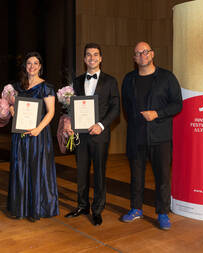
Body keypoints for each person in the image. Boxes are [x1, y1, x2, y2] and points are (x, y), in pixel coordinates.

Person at [121, 41, 182, 230]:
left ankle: (163, 212)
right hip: (136, 136)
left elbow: (177, 104)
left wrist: (158, 114)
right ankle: (136, 209)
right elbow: (126, 107)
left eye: (145, 52)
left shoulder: (167, 77)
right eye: (138, 53)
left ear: (152, 54)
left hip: (160, 136)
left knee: (162, 176)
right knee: (136, 175)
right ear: (134, 58)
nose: (142, 56)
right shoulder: (129, 79)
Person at [65, 43, 120, 226]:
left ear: (101, 58)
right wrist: (70, 122)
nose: (92, 58)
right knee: (81, 172)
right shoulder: (77, 81)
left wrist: (101, 125)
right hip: (80, 135)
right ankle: (82, 205)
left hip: (99, 134)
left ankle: (97, 209)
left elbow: (115, 108)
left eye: (95, 55)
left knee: (99, 173)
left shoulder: (110, 81)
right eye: (88, 55)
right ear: (84, 59)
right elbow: (71, 107)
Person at [7, 51, 59, 221]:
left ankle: (37, 208)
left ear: (40, 67)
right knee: (20, 167)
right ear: (25, 66)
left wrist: (38, 129)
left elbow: (51, 112)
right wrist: (13, 111)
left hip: (38, 136)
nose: (32, 66)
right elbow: (12, 108)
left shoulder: (46, 87)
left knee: (37, 169)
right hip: (20, 135)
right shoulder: (17, 87)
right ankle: (20, 208)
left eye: (36, 63)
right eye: (29, 63)